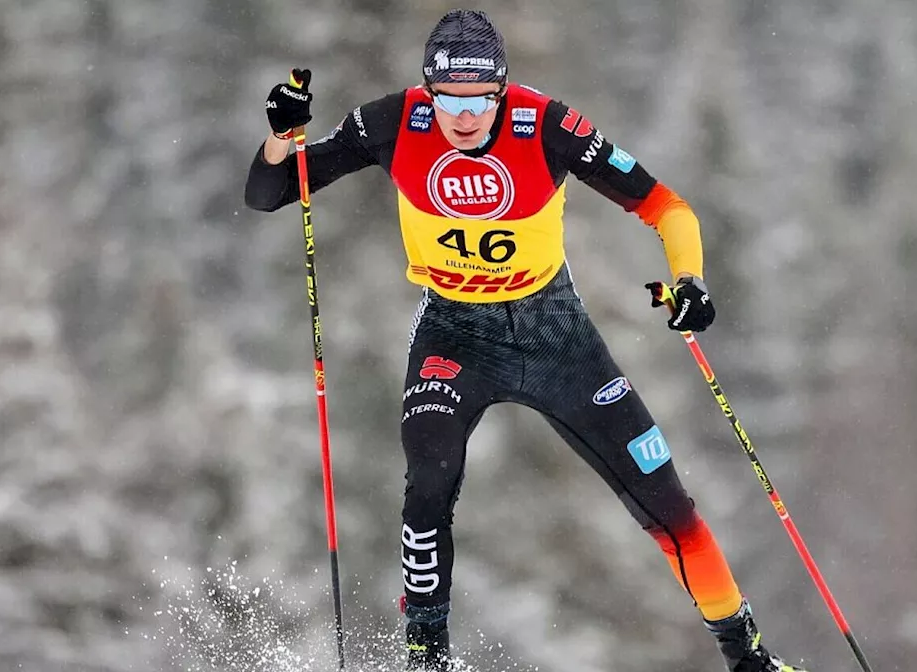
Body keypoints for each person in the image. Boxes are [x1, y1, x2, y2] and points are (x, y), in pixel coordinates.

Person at [245, 9, 806, 672]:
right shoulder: (393, 122)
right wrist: (281, 138)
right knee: (429, 478)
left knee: (667, 506)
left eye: (479, 99)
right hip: (455, 330)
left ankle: (749, 659)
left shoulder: (547, 126)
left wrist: (690, 280)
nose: (463, 116)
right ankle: (427, 657)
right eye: (447, 98)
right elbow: (272, 191)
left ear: (501, 90)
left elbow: (666, 207)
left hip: (554, 334)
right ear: (429, 90)